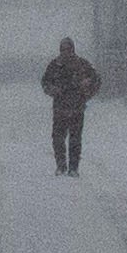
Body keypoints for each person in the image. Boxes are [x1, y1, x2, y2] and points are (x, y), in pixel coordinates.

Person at [40, 37, 99, 175]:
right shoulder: (55, 65)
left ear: (73, 49)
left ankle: (73, 168)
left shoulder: (82, 65)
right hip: (60, 107)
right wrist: (52, 90)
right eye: (63, 49)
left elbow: (96, 80)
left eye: (68, 49)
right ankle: (61, 166)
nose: (66, 52)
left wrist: (87, 92)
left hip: (77, 107)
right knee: (58, 138)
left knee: (75, 139)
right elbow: (45, 82)